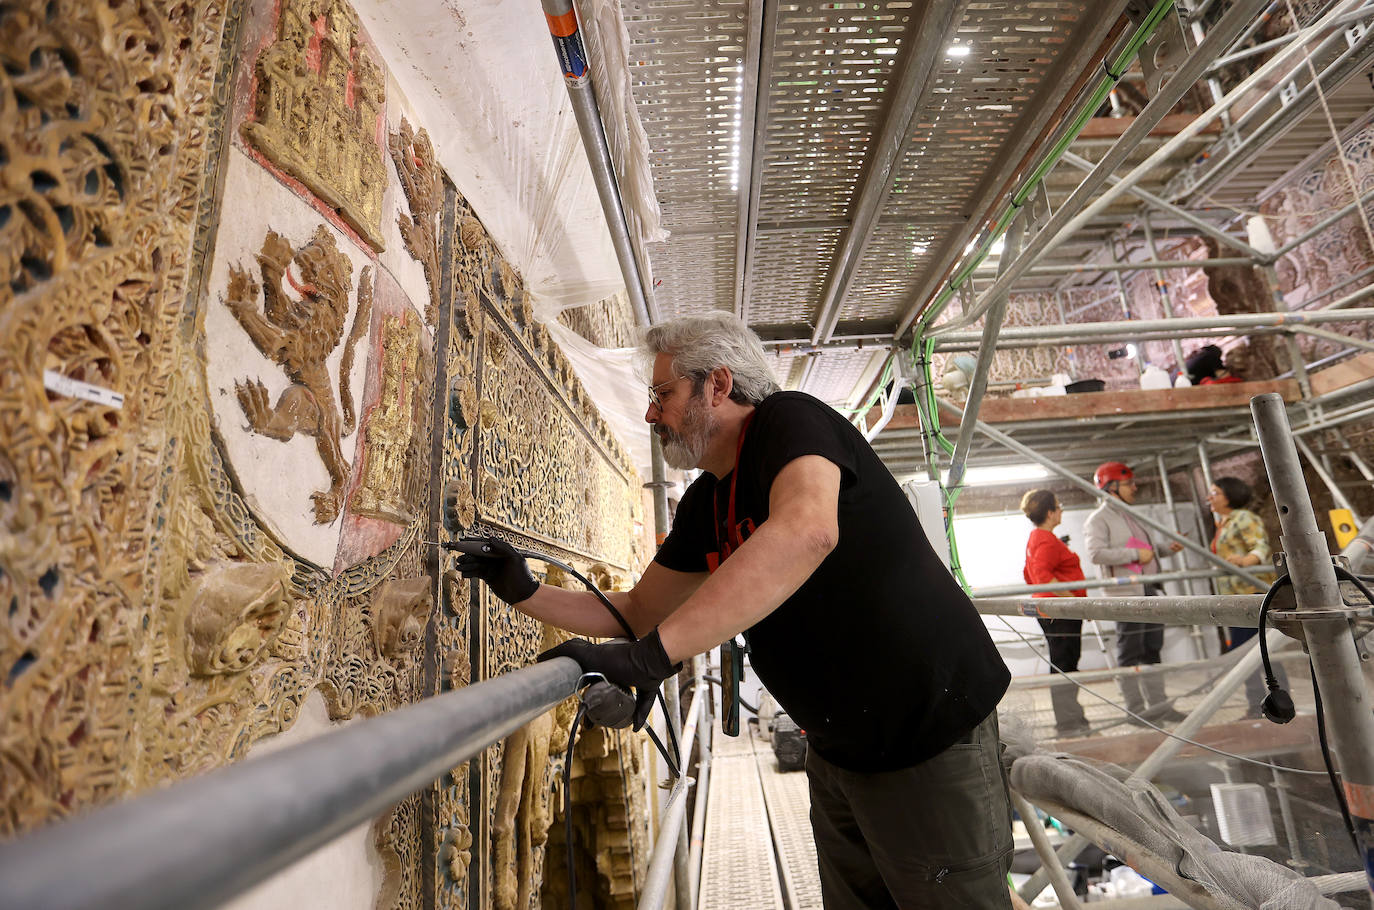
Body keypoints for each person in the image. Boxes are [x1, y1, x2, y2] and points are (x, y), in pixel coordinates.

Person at [458, 312, 1015, 908]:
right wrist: (523, 591)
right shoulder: (708, 500)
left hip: (927, 737)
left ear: (717, 385)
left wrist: (649, 660)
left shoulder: (790, 421)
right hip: (841, 752)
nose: (652, 415)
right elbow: (640, 609)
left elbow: (807, 531)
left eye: (663, 394)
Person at [1083, 462, 1187, 725]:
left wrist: (1165, 549)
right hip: (1125, 594)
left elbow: (1146, 549)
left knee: (1152, 649)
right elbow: (1095, 554)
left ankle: (1159, 707)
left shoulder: (1132, 515)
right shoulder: (1098, 520)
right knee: (1131, 651)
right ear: (1111, 487)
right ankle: (1135, 710)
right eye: (1129, 483)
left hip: (1149, 589)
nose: (1135, 487)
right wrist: (1133, 555)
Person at [1207, 476, 1281, 716]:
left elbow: (1260, 546)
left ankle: (1274, 701)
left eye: (1215, 492)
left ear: (1230, 495)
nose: (1210, 497)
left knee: (1258, 650)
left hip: (1251, 593)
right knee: (1246, 653)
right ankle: (1259, 704)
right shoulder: (1224, 523)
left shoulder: (1244, 518)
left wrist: (1245, 561)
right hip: (1234, 596)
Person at [1019, 489, 1091, 739]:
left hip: (1054, 610)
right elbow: (1041, 578)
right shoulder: (1046, 540)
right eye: (1058, 507)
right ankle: (1069, 722)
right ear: (1050, 513)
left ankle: (1071, 717)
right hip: (1060, 612)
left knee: (1064, 663)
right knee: (1065, 664)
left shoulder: (1039, 537)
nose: (1061, 510)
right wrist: (1077, 602)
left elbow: (1028, 576)